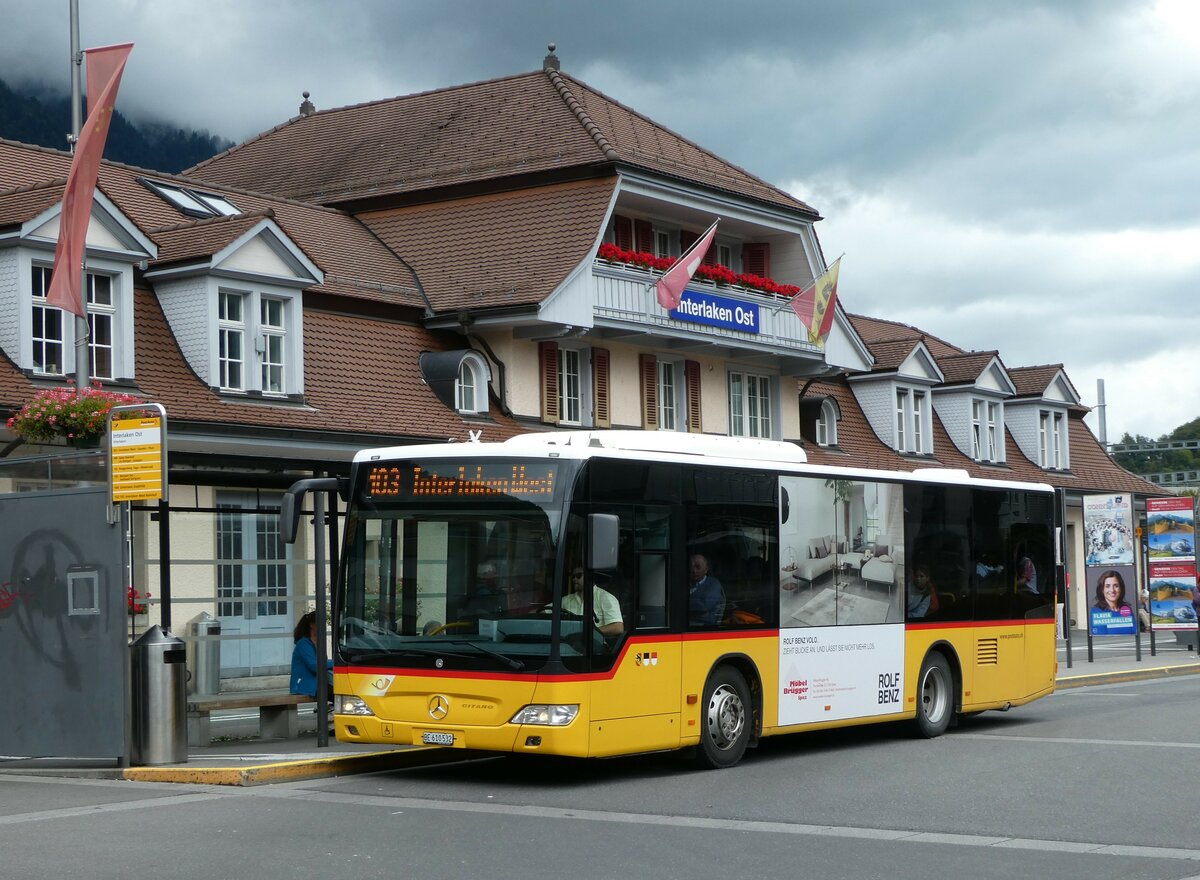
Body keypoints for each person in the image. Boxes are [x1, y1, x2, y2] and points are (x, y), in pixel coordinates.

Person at [562, 566, 624, 636]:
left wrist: (589, 633)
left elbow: (618, 627)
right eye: (573, 576)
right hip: (568, 643)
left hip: (595, 644)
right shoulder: (566, 600)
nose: (574, 579)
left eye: (578, 576)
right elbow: (547, 610)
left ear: (589, 576)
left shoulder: (606, 597)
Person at [290, 610, 333, 698]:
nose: (324, 627)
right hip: (304, 685)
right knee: (336, 695)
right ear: (312, 625)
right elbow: (314, 666)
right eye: (321, 624)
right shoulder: (303, 643)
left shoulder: (319, 642)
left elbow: (323, 662)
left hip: (318, 683)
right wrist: (335, 662)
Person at [688, 554, 725, 625]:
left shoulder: (713, 584)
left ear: (706, 569)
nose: (694, 571)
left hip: (704, 626)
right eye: (691, 567)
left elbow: (703, 607)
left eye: (698, 567)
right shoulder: (685, 583)